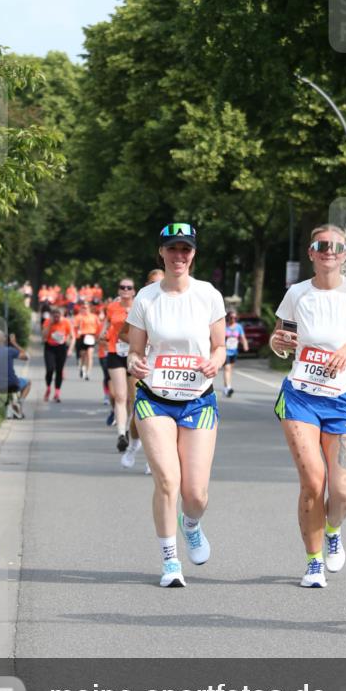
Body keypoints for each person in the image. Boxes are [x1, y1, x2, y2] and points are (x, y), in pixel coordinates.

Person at [270, 225, 346, 589]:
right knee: (314, 482)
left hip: (344, 397)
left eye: (337, 246)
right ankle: (313, 561)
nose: (329, 251)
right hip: (301, 395)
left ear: (345, 255)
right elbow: (279, 336)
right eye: (321, 245)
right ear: (312, 253)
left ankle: (333, 530)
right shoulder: (298, 294)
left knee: (343, 491)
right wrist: (278, 342)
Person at [126, 223, 226, 587]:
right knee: (168, 481)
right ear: (162, 253)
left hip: (198, 401)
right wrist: (134, 363)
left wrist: (215, 361)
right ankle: (170, 562)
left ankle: (192, 525)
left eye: (185, 250)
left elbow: (219, 346)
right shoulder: (146, 298)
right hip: (155, 399)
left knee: (194, 494)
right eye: (172, 249)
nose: (179, 256)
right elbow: (134, 352)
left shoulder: (208, 295)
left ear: (193, 254)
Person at [119, 268, 165, 470]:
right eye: (153, 283)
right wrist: (141, 344)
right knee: (139, 413)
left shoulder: (179, 306)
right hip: (142, 367)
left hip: (164, 371)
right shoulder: (142, 304)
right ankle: (133, 445)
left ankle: (151, 458)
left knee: (161, 416)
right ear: (147, 285)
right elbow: (122, 334)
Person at [101, 279, 137, 451]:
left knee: (133, 398)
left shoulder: (139, 306)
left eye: (129, 287)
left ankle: (131, 429)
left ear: (133, 291)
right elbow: (108, 324)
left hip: (134, 353)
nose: (125, 290)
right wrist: (103, 334)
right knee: (120, 396)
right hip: (115, 351)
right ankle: (121, 434)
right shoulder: (112, 307)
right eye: (122, 287)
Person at [0, 330, 31, 418]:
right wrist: (14, 343)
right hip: (13, 384)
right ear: (4, 339)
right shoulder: (10, 351)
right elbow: (26, 357)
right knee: (28, 382)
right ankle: (19, 403)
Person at [41, 306, 74, 402]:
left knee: (59, 371)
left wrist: (69, 347)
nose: (56, 319)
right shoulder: (48, 321)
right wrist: (50, 325)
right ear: (51, 316)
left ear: (61, 316)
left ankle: (57, 393)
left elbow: (71, 336)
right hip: (49, 347)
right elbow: (44, 336)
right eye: (54, 317)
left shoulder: (66, 322)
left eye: (58, 317)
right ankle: (48, 388)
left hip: (61, 348)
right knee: (50, 369)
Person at [222, 310, 249, 397]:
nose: (233, 319)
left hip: (234, 351)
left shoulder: (238, 327)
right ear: (228, 318)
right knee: (227, 369)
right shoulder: (224, 327)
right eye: (231, 317)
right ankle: (229, 388)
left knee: (230, 370)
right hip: (225, 351)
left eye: (235, 318)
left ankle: (225, 387)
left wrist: (245, 345)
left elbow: (243, 337)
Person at [74, 301, 100, 380]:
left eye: (86, 307)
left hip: (91, 336)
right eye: (83, 307)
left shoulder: (94, 317)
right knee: (83, 355)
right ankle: (82, 367)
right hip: (82, 337)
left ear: (89, 308)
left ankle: (88, 373)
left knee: (90, 354)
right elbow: (74, 327)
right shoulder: (79, 317)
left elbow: (99, 327)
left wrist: (97, 336)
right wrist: (77, 330)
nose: (85, 309)